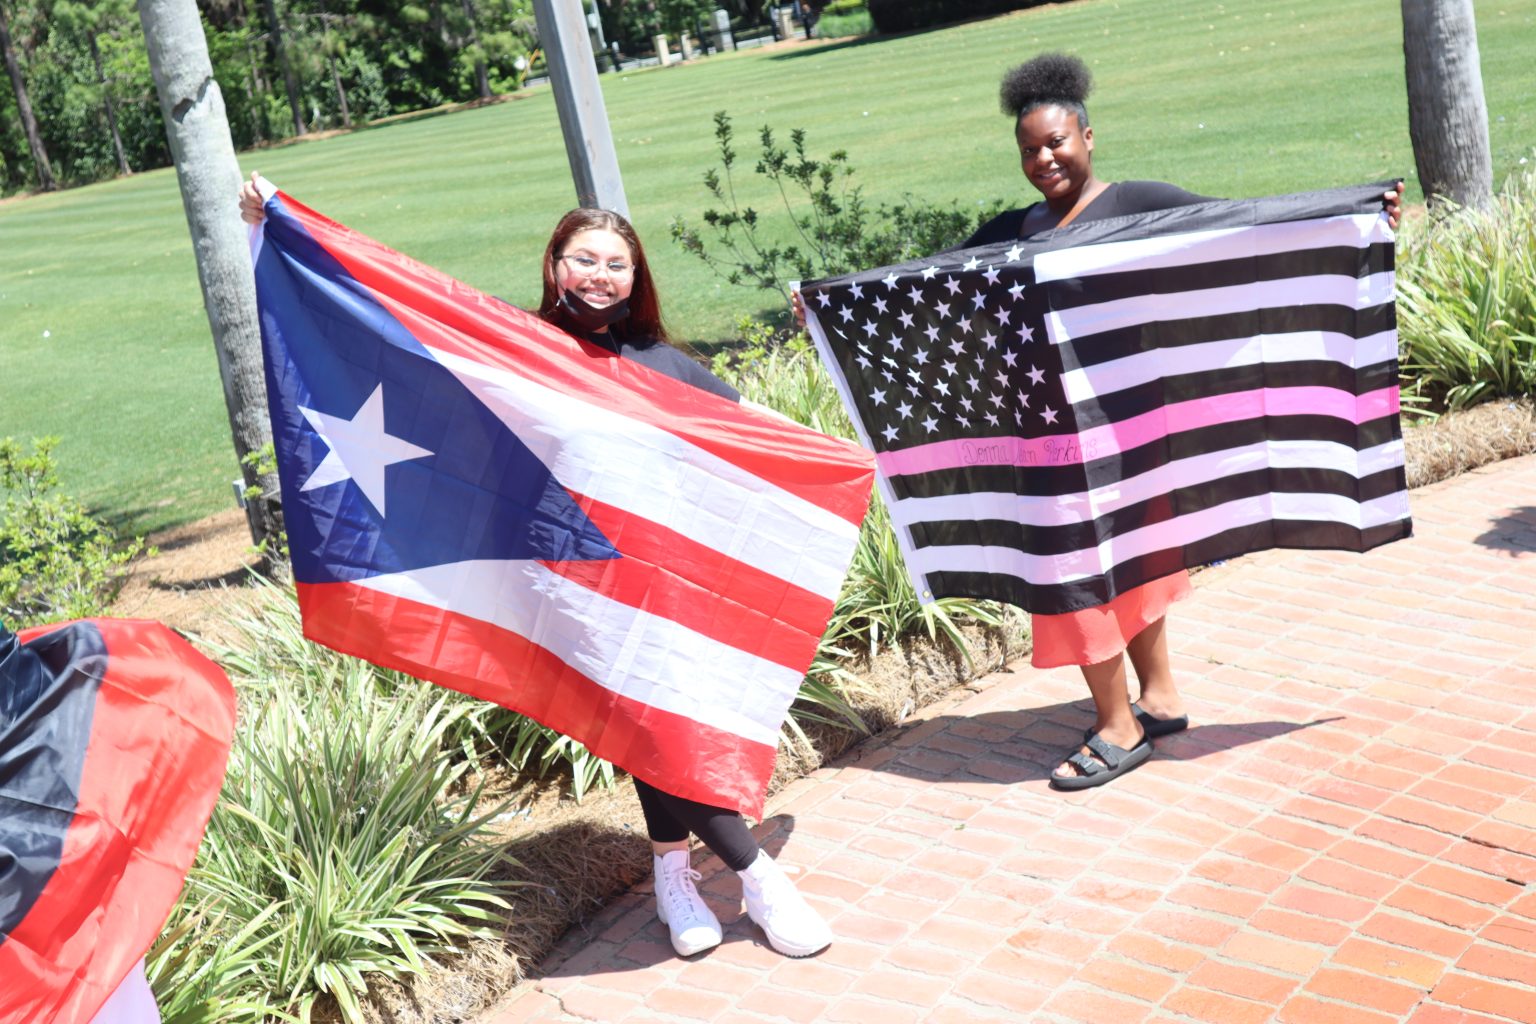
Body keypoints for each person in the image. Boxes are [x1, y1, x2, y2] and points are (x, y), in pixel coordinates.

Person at [238, 178, 832, 960]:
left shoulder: (663, 365)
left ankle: (679, 874)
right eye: (584, 258)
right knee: (649, 727)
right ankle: (753, 876)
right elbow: (406, 323)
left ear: (635, 276)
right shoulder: (514, 348)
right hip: (573, 582)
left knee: (660, 729)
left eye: (617, 263)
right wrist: (277, 228)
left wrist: (825, 377)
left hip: (662, 588)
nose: (600, 276)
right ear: (554, 265)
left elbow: (753, 435)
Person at [792, 53, 1401, 791]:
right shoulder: (1016, 229)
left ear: (1088, 135)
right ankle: (1146, 706)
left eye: (1056, 142)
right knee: (1086, 573)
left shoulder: (1140, 203)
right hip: (1053, 442)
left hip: (1128, 436)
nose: (1043, 158)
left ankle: (1128, 721)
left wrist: (1354, 217)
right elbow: (926, 285)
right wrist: (829, 307)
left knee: (1113, 569)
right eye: (1028, 149)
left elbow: (1239, 233)